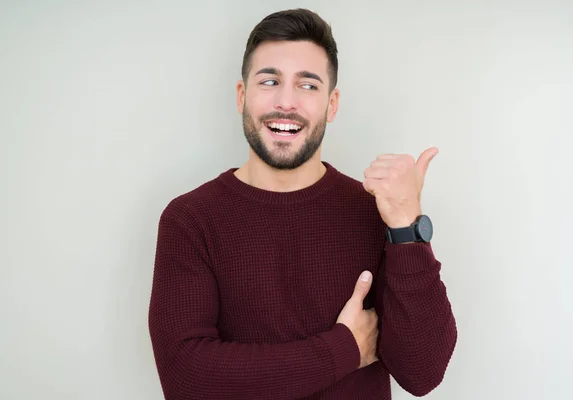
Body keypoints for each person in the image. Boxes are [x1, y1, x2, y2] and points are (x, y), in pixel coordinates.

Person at [148, 8, 457, 400]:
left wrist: (406, 227)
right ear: (242, 96)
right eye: (270, 81)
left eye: (308, 85)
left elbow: (423, 373)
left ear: (332, 104)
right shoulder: (190, 220)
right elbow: (187, 380)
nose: (286, 102)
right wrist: (343, 349)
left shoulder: (374, 212)